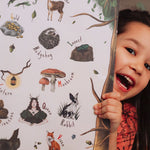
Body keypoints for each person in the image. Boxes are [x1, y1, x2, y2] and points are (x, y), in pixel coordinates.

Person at [93, 9, 150, 150]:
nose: (139, 68)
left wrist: (111, 131)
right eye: (131, 51)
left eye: (148, 66)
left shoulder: (129, 119)